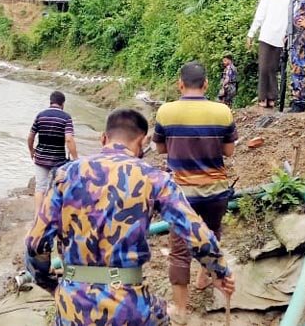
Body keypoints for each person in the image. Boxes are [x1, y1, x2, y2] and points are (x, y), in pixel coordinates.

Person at [25, 109, 235, 325]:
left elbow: (35, 243)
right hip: (129, 307)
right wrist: (220, 273)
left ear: (103, 138)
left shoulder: (64, 175)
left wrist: (52, 286)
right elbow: (195, 232)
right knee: (163, 314)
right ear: (143, 141)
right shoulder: (155, 178)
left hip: (72, 306)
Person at [153, 61, 237, 322]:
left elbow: (160, 150)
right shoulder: (223, 111)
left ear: (180, 84)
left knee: (179, 250)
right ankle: (204, 278)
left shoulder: (166, 112)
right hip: (216, 192)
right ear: (206, 84)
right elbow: (229, 151)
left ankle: (180, 309)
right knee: (211, 233)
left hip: (181, 195)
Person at [28, 91, 78, 218]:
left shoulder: (40, 115)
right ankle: (53, 215)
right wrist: (76, 158)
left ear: (50, 102)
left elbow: (31, 136)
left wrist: (31, 150)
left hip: (41, 157)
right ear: (63, 103)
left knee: (40, 187)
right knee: (58, 186)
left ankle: (37, 217)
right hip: (59, 160)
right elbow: (69, 139)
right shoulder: (66, 117)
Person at [247, 0, 292, 108]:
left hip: (266, 36)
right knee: (273, 68)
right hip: (280, 38)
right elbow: (291, 21)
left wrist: (251, 34)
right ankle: (272, 98)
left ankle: (262, 98)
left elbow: (260, 16)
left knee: (263, 68)